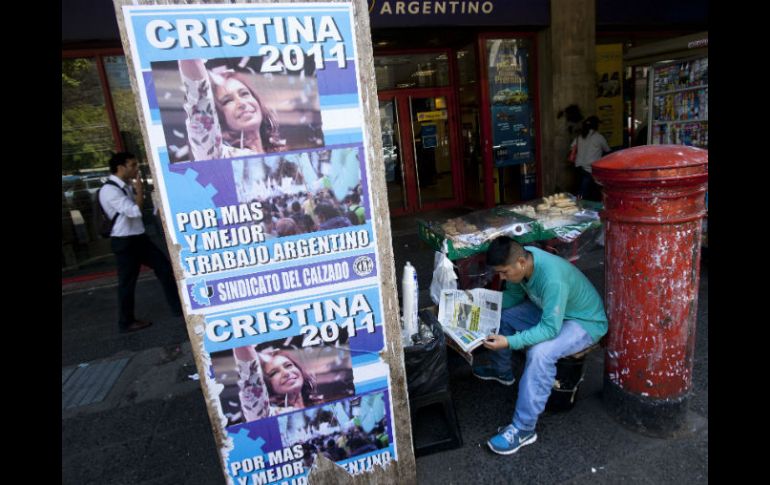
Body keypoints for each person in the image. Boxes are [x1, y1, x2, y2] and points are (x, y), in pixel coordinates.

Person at [472, 236, 608, 455]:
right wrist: (477, 304)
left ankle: (524, 428)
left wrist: (510, 342)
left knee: (540, 353)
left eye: (504, 272)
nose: (501, 277)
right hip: (554, 312)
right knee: (504, 317)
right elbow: (512, 299)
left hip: (583, 322)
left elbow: (549, 330)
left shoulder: (551, 278)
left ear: (521, 263)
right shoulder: (521, 264)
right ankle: (502, 372)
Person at [98, 152, 183, 333]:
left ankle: (178, 308)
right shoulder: (109, 190)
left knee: (165, 269)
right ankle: (125, 322)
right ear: (121, 167)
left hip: (139, 238)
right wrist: (140, 191)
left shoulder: (124, 186)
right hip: (125, 242)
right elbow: (134, 211)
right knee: (127, 283)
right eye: (133, 165)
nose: (136, 169)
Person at [178, 59, 284, 161]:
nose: (241, 103)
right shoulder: (218, 156)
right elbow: (199, 97)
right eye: (227, 101)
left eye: (244, 94)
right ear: (219, 117)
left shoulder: (281, 155)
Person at [234, 345, 319, 421]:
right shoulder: (267, 416)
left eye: (288, 365)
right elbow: (250, 376)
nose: (286, 373)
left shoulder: (318, 406)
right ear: (267, 385)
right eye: (274, 373)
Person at [571, 115, 610, 200]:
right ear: (596, 126)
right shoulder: (599, 137)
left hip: (578, 168)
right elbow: (607, 150)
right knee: (585, 194)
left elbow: (572, 147)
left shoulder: (580, 136)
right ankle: (579, 207)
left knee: (582, 191)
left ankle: (579, 205)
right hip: (590, 169)